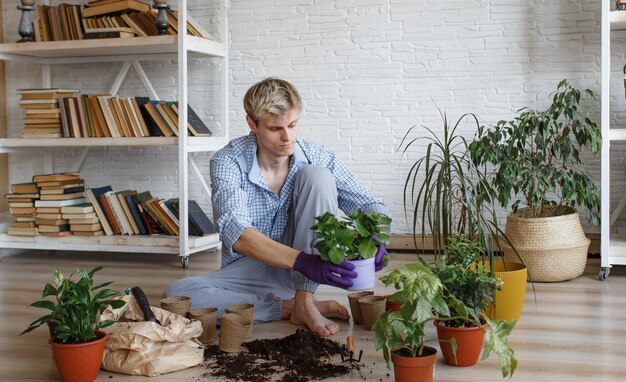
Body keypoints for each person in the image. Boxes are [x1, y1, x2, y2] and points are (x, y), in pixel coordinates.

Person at [164, 78, 391, 337]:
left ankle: (305, 300)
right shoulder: (228, 161)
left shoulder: (318, 155)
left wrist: (377, 234)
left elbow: (368, 203)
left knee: (317, 175)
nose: (287, 137)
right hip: (248, 270)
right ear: (252, 124)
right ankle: (288, 307)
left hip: (299, 274)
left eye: (293, 125)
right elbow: (235, 232)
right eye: (275, 128)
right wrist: (304, 262)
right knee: (176, 296)